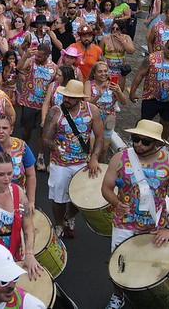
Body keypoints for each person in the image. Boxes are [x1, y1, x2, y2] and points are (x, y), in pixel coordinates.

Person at [101, 119, 169, 309]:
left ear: (157, 144)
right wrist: (116, 203)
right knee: (119, 262)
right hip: (124, 223)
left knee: (152, 265)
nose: (138, 144)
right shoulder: (120, 158)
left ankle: (150, 299)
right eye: (135, 139)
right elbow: (106, 188)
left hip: (155, 226)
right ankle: (118, 296)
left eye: (144, 141)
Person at [42, 79, 104, 238]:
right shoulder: (55, 112)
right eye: (65, 96)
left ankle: (69, 216)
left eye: (71, 97)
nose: (67, 100)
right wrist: (56, 148)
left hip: (83, 163)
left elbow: (99, 137)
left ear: (80, 98)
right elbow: (45, 138)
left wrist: (94, 158)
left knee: (81, 198)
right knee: (59, 198)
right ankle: (59, 224)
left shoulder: (92, 111)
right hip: (60, 164)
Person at [129, 31, 169, 140]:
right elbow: (140, 75)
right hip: (151, 98)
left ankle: (162, 144)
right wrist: (132, 92)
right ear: (165, 46)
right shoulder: (152, 58)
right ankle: (138, 140)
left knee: (166, 123)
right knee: (145, 122)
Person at [85, 61, 128, 160]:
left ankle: (101, 168)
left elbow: (124, 102)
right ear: (94, 74)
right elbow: (87, 104)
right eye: (100, 71)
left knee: (104, 149)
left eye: (105, 71)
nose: (103, 74)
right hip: (93, 119)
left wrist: (118, 92)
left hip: (108, 119)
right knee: (92, 148)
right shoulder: (89, 84)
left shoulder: (112, 85)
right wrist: (99, 94)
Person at [99, 19, 135, 89]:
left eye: (117, 29)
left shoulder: (126, 38)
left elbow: (131, 51)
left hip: (120, 70)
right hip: (108, 69)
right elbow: (99, 53)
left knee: (118, 90)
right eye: (113, 28)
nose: (115, 30)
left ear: (122, 30)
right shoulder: (105, 38)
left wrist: (122, 41)